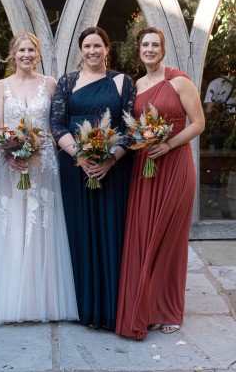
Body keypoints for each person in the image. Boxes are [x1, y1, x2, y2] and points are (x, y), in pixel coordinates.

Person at [116, 26, 205, 339]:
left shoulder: (179, 80)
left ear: (163, 50)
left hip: (175, 164)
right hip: (146, 166)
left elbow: (199, 123)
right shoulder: (137, 84)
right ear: (139, 50)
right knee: (145, 236)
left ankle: (169, 309)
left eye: (155, 45)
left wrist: (169, 144)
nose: (150, 49)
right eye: (145, 45)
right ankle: (148, 306)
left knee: (169, 238)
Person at [0, 32, 78, 325]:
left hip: (44, 163)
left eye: (31, 50)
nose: (26, 55)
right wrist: (12, 148)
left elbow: (56, 123)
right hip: (8, 163)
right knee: (10, 224)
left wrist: (35, 148)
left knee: (42, 225)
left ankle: (43, 301)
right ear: (13, 54)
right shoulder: (0, 86)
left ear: (38, 54)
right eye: (22, 50)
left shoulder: (50, 83)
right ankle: (10, 300)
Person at [50, 26, 136, 331]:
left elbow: (131, 127)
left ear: (106, 48)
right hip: (76, 170)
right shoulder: (67, 83)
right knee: (80, 233)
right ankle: (85, 308)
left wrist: (111, 160)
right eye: (87, 46)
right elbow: (57, 125)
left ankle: (113, 307)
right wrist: (80, 156)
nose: (92, 51)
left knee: (112, 232)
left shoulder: (122, 81)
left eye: (97, 46)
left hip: (113, 170)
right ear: (80, 50)